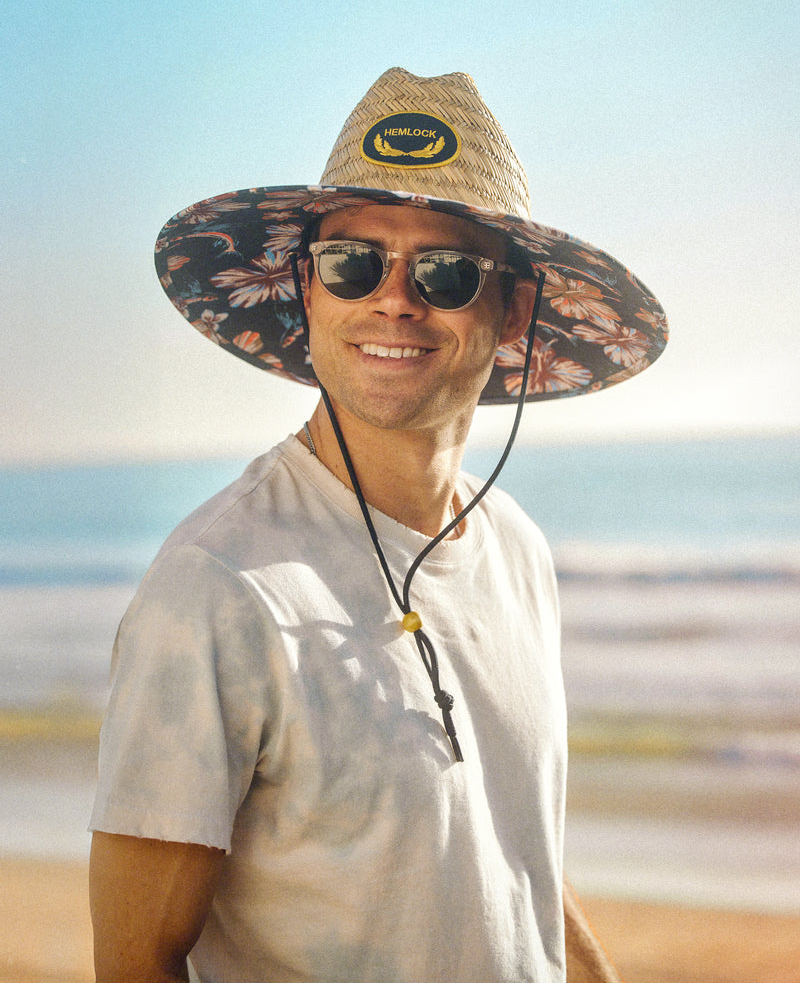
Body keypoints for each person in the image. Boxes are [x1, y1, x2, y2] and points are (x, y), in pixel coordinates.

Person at [89, 68, 668, 982]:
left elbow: (505, 858)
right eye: (353, 261)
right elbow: (132, 960)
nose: (393, 300)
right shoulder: (218, 585)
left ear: (512, 307)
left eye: (444, 271)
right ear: (308, 290)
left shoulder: (516, 548)